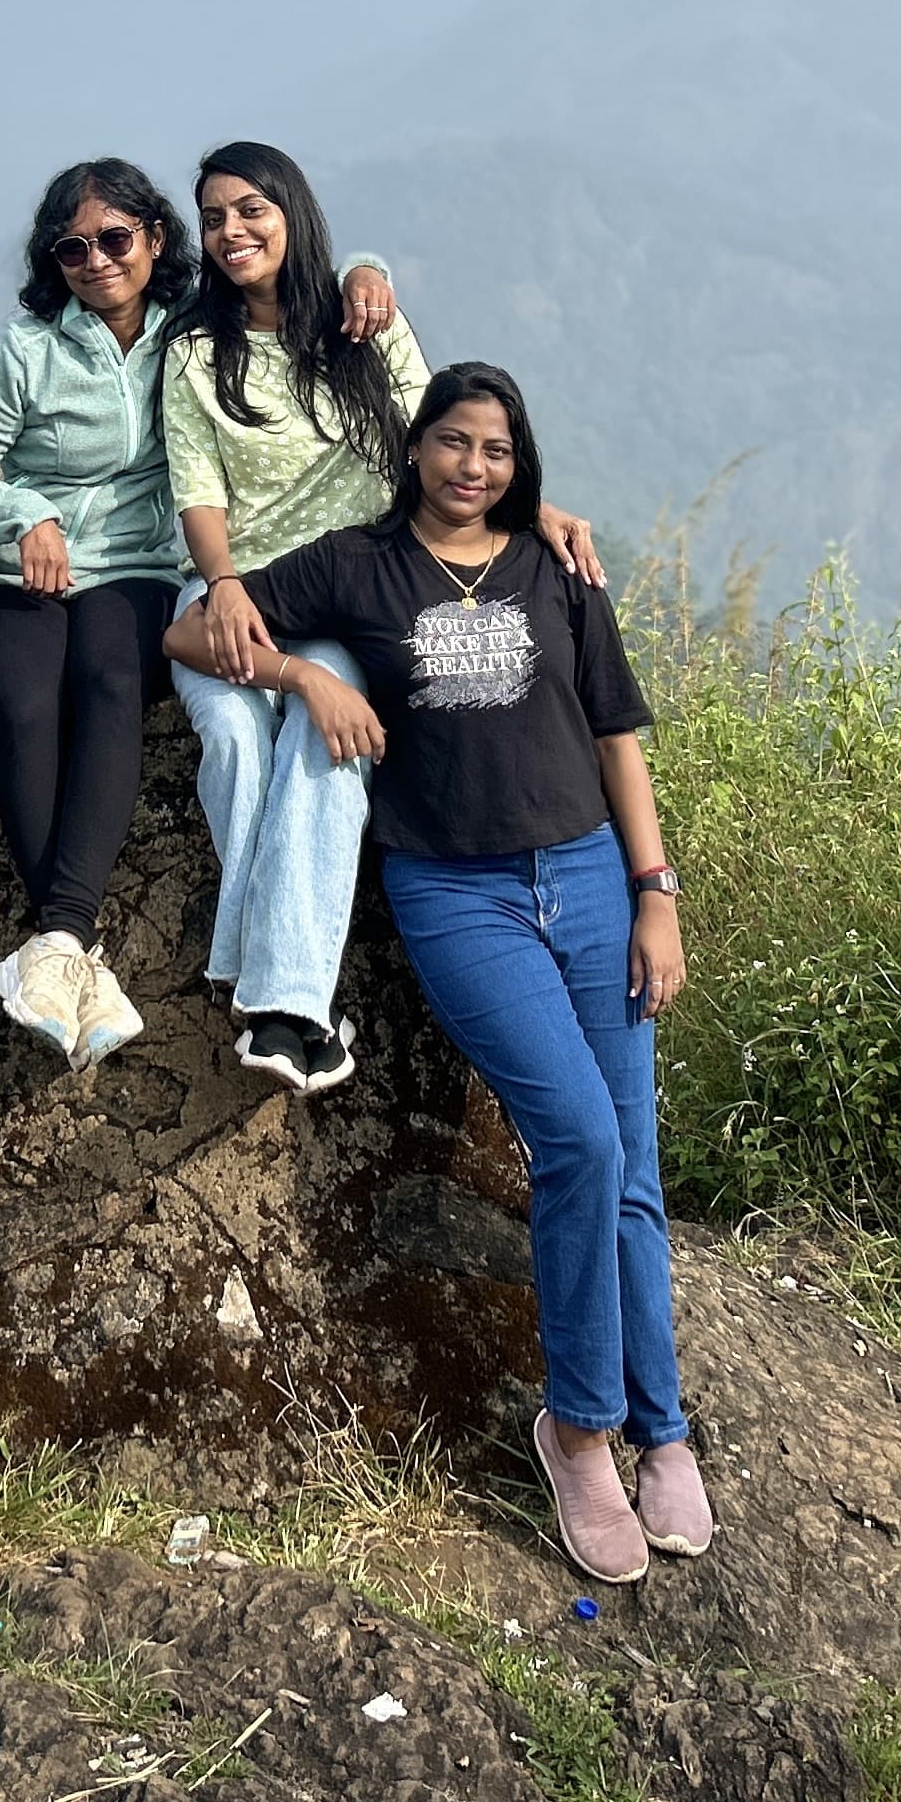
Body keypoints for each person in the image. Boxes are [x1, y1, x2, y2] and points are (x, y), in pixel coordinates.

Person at [160, 361, 712, 1584]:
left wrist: (654, 894)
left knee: (633, 1169)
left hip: (586, 880)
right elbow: (193, 625)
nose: (475, 467)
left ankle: (662, 1429)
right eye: (454, 444)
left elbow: (616, 737)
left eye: (498, 452)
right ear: (415, 450)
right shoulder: (359, 567)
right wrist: (304, 674)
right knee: (580, 1144)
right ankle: (579, 1432)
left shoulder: (557, 570)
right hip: (457, 897)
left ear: (523, 466)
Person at [0, 156, 402, 1074]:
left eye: (117, 238)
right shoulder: (28, 349)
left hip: (146, 570)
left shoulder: (187, 331)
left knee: (114, 680)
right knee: (37, 703)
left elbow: (296, 290)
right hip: (48, 570)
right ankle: (66, 945)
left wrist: (370, 266)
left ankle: (156, 964)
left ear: (156, 240)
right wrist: (26, 513)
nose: (98, 259)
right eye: (73, 247)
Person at [164, 142, 602, 1098]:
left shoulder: (368, 322)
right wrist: (225, 581)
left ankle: (279, 1006)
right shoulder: (197, 352)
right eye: (213, 218)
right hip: (243, 581)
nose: (232, 232)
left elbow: (449, 437)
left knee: (329, 745)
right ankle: (276, 990)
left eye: (252, 210)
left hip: (346, 595)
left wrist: (537, 508)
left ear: (293, 211)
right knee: (235, 734)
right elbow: (198, 489)